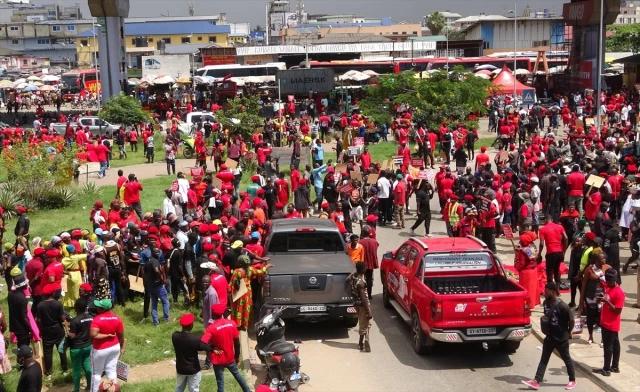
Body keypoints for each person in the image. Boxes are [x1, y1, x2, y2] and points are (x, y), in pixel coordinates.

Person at [522, 282, 576, 390]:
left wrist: (569, 332)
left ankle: (572, 380)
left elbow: (571, 320)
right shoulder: (546, 303)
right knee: (544, 359)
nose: (544, 294)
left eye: (546, 292)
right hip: (550, 337)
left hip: (561, 338)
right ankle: (536, 381)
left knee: (566, 359)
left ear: (553, 292)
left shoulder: (563, 306)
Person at [201, 303, 252, 392]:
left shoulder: (211, 328)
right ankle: (247, 391)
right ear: (222, 313)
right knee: (237, 375)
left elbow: (202, 344)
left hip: (218, 359)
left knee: (220, 382)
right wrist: (236, 357)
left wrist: (212, 348)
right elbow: (237, 343)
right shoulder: (232, 324)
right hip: (230, 357)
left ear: (213, 314)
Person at [89, 299, 125, 392]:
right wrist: (122, 346)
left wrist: (106, 335)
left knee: (96, 373)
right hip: (114, 347)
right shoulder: (117, 318)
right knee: (111, 370)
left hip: (100, 349)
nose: (97, 308)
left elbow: (93, 335)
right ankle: (112, 389)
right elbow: (121, 334)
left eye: (98, 307)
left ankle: (94, 390)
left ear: (102, 309)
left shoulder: (96, 319)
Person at [229, 255, 271, 330]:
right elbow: (260, 272)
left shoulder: (237, 271)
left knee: (239, 307)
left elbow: (232, 283)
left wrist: (230, 292)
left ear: (240, 263)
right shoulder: (250, 270)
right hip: (247, 292)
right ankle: (245, 325)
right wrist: (266, 266)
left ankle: (238, 324)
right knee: (246, 307)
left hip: (240, 292)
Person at [595, 268, 624, 376]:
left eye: (610, 282)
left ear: (615, 280)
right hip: (605, 321)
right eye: (607, 281)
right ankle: (615, 366)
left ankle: (606, 369)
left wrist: (606, 301)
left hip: (611, 324)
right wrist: (603, 298)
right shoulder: (609, 287)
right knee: (615, 345)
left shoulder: (619, 293)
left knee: (608, 347)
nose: (608, 283)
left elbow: (618, 310)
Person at [173, 313, 212, 392]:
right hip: (193, 369)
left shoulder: (174, 336)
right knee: (194, 389)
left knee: (179, 388)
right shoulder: (195, 339)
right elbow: (205, 347)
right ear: (191, 325)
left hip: (180, 368)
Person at [36, 283, 68, 377]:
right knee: (61, 350)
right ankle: (64, 369)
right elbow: (62, 318)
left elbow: (38, 320)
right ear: (53, 293)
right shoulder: (58, 304)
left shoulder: (40, 305)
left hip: (46, 331)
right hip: (58, 331)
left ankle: (49, 372)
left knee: (47, 352)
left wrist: (38, 330)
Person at [579, 252, 611, 345]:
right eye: (602, 259)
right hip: (591, 296)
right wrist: (581, 298)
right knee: (590, 317)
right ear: (597, 260)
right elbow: (584, 284)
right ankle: (590, 336)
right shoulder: (589, 269)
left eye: (605, 258)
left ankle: (602, 339)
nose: (604, 260)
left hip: (603, 297)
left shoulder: (608, 268)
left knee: (602, 318)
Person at [68, 298, 93, 392]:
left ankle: (76, 389)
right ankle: (90, 385)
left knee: (76, 369)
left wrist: (67, 331)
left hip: (77, 348)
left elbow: (72, 336)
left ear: (76, 308)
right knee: (87, 366)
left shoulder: (74, 321)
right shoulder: (91, 317)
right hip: (88, 346)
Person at [538, 215, 568, 286]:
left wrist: (539, 253)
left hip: (551, 252)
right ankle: (557, 289)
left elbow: (541, 244)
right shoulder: (559, 227)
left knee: (550, 271)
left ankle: (550, 290)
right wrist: (564, 251)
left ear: (545, 220)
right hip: (559, 252)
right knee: (557, 270)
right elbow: (566, 238)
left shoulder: (542, 229)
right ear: (552, 220)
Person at [514, 231, 540, 308]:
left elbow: (521, 263)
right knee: (532, 289)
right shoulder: (532, 247)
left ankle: (527, 306)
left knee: (526, 290)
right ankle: (532, 303)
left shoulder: (523, 252)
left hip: (526, 272)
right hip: (533, 270)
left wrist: (517, 266)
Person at [349, 262, 371, 352]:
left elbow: (347, 281)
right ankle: (361, 343)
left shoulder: (353, 277)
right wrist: (368, 311)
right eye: (365, 268)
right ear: (362, 270)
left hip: (356, 303)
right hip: (363, 305)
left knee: (366, 322)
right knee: (364, 323)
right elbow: (363, 298)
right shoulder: (361, 283)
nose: (366, 269)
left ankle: (367, 339)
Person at [7, 274, 33, 347]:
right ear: (23, 285)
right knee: (24, 348)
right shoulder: (23, 299)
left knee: (20, 347)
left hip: (14, 325)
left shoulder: (10, 294)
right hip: (22, 328)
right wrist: (30, 328)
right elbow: (24, 316)